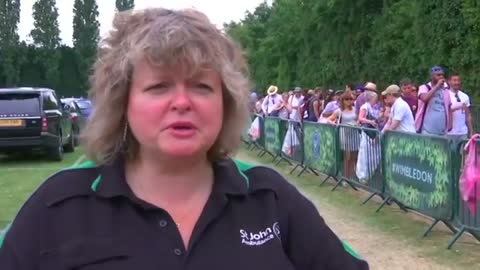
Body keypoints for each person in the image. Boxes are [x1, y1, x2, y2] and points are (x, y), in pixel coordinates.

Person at [0, 8, 368, 270]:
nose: (182, 102)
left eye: (201, 86)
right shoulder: (59, 203)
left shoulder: (269, 198)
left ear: (225, 102)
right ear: (122, 102)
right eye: (159, 86)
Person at [327, 92, 360, 180]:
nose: (349, 101)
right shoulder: (339, 111)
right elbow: (329, 119)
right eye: (347, 99)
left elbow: (358, 120)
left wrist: (357, 124)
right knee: (347, 157)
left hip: (354, 133)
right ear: (343, 100)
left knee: (353, 156)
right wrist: (334, 124)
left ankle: (351, 177)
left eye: (351, 99)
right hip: (344, 134)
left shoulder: (355, 109)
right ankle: (346, 177)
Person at [415, 66, 452, 135]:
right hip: (426, 129)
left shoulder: (445, 90)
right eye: (438, 75)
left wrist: (450, 124)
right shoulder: (424, 87)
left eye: (442, 75)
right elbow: (425, 98)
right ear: (432, 76)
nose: (441, 77)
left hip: (442, 130)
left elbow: (449, 106)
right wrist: (437, 86)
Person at [447, 73, 473, 145]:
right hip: (450, 133)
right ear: (449, 82)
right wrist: (456, 107)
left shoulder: (465, 96)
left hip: (463, 132)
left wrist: (471, 132)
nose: (457, 82)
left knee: (462, 155)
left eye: (458, 80)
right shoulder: (446, 95)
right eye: (454, 80)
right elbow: (444, 111)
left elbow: (468, 115)